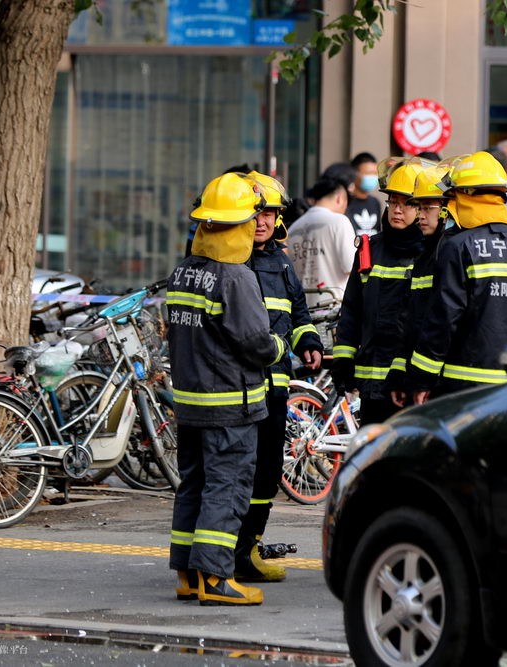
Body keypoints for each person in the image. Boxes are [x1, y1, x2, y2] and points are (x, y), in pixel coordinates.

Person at [167, 172, 287, 606]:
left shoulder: (183, 273)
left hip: (191, 403)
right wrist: (280, 346)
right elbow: (256, 343)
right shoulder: (235, 278)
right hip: (230, 407)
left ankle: (186, 574)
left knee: (193, 486)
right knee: (227, 487)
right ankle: (216, 580)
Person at [234, 171, 323, 583]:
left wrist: (309, 342)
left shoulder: (281, 261)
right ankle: (226, 552)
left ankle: (249, 547)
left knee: (267, 471)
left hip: (274, 386)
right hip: (234, 388)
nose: (264, 221)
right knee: (233, 471)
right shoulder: (229, 259)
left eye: (270, 213)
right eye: (257, 213)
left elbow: (299, 313)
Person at [406, 151, 507, 402]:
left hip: (462, 388)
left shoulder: (457, 246)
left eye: (452, 197)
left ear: (466, 196)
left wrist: (422, 380)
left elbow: (443, 320)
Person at [332, 159, 426, 424]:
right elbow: (351, 309)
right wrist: (343, 360)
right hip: (371, 382)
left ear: (420, 209)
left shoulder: (429, 254)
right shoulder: (370, 249)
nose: (397, 210)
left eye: (406, 203)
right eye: (393, 202)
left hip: (409, 383)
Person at [385, 164, 451, 408]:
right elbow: (412, 321)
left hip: (441, 384)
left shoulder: (448, 253)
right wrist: (401, 375)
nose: (421, 215)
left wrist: (423, 380)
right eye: (419, 207)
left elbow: (440, 324)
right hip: (419, 380)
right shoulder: (426, 255)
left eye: (425, 208)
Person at [286, 177, 356, 307]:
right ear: (340, 198)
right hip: (333, 309)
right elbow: (351, 267)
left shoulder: (293, 228)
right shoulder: (339, 221)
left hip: (301, 310)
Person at [346, 152, 383, 236]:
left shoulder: (375, 202)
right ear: (354, 174)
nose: (373, 177)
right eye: (368, 173)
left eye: (375, 173)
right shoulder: (345, 202)